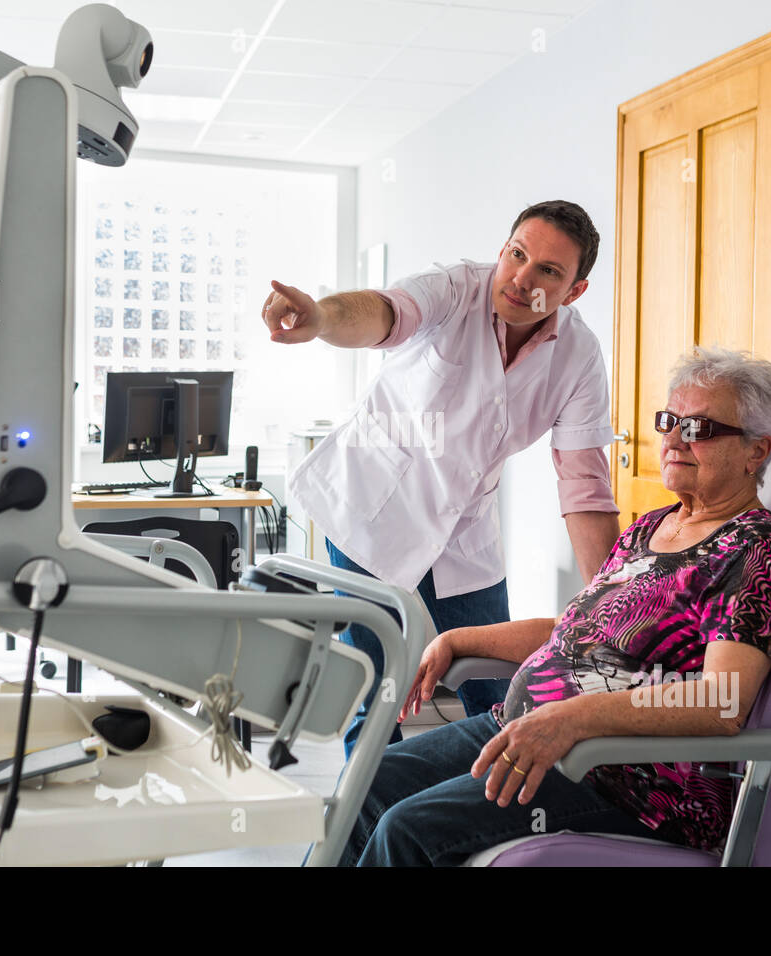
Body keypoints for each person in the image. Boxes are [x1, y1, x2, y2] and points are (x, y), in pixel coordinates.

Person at [338, 346, 771, 866]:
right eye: (670, 421)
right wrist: (458, 639)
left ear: (756, 451)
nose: (673, 439)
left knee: (408, 831)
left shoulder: (758, 550)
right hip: (531, 730)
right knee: (364, 781)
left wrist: (574, 718)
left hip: (626, 778)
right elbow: (578, 630)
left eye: (699, 429)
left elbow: (722, 702)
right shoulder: (653, 526)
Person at [264, 201, 620, 756]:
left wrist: (614, 603)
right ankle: (365, 829)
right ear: (503, 249)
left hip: (464, 531)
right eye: (517, 254)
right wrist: (322, 319)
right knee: (380, 691)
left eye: (548, 271)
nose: (522, 279)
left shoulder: (579, 356)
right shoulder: (454, 290)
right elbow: (384, 312)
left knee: (506, 691)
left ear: (574, 291)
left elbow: (584, 483)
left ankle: (467, 822)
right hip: (372, 511)